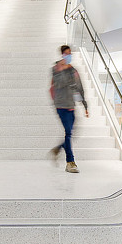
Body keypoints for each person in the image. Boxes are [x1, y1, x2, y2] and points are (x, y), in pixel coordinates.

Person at [49, 45, 89, 173]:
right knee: (68, 132)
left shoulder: (73, 70)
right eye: (67, 54)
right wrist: (63, 70)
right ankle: (70, 162)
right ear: (62, 54)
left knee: (71, 133)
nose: (69, 56)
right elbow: (59, 84)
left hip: (71, 105)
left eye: (70, 53)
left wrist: (85, 105)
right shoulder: (55, 69)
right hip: (60, 105)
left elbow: (79, 87)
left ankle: (57, 149)